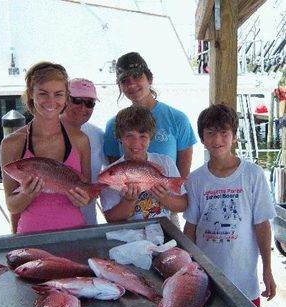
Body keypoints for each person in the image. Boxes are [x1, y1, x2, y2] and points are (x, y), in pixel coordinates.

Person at [183, 103, 276, 307]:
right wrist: (188, 267)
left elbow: (262, 225)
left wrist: (267, 269)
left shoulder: (253, 174)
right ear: (202, 139)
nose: (217, 140)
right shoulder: (195, 179)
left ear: (234, 136)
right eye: (210, 133)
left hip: (245, 281)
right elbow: (190, 227)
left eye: (224, 133)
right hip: (205, 278)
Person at [0, 61, 91, 234]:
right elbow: (12, 206)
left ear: (66, 97)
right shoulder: (12, 143)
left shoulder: (80, 140)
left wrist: (84, 199)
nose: (51, 101)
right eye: (43, 93)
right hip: (31, 236)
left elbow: (87, 192)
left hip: (75, 233)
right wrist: (27, 194)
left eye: (58, 94)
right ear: (31, 95)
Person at [103, 51, 197, 179]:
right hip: (130, 197)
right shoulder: (113, 125)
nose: (131, 84)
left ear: (149, 78)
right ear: (120, 86)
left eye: (137, 77)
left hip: (167, 197)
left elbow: (183, 180)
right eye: (125, 80)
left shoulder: (178, 119)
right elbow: (114, 174)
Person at [100, 105, 187, 222]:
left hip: (162, 230)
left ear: (151, 138)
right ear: (119, 137)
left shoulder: (166, 163)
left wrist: (165, 198)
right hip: (129, 235)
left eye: (143, 136)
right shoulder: (111, 173)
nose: (136, 143)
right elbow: (111, 218)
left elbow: (183, 205)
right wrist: (128, 201)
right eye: (129, 136)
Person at [60, 78, 107, 225]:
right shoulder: (46, 132)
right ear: (65, 100)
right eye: (76, 100)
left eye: (89, 103)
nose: (82, 107)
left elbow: (113, 170)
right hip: (51, 223)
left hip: (87, 223)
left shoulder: (98, 135)